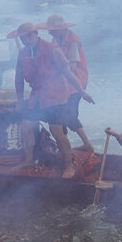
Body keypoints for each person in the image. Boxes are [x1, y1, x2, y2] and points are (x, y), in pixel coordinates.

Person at [7, 22, 94, 179]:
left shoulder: (53, 50)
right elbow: (18, 78)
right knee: (25, 126)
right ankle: (29, 160)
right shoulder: (23, 53)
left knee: (57, 132)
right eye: (21, 38)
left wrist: (82, 91)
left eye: (25, 37)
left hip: (56, 95)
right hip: (37, 96)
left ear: (33, 35)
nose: (23, 40)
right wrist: (20, 100)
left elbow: (68, 73)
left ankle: (68, 165)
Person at [36, 14, 94, 152]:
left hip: (75, 82)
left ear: (61, 29)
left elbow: (71, 68)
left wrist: (53, 72)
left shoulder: (73, 41)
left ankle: (86, 145)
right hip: (63, 82)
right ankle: (66, 145)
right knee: (62, 116)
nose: (49, 32)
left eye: (52, 29)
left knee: (70, 116)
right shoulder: (56, 38)